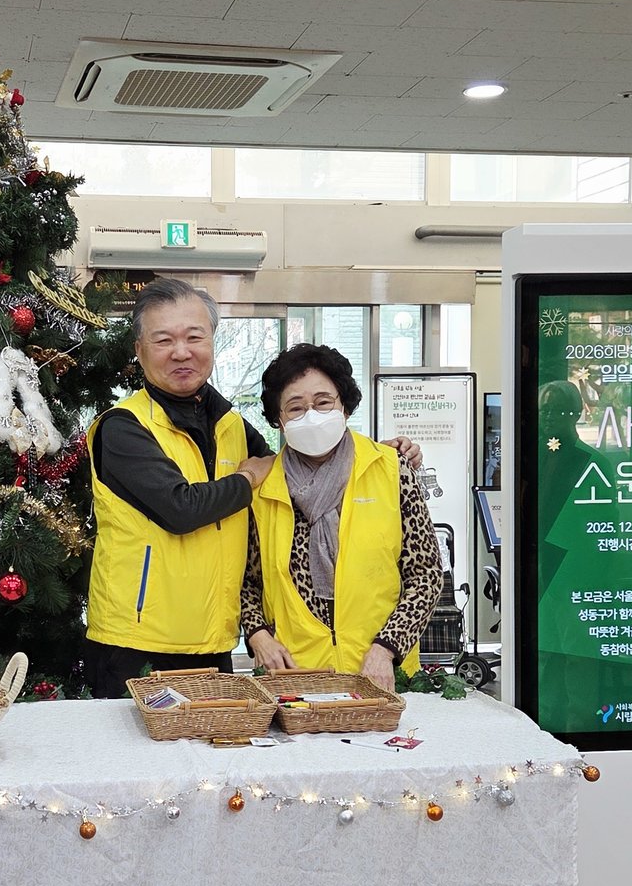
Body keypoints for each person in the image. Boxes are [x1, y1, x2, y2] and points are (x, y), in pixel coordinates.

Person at [85, 280, 421, 698]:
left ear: (211, 341)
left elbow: (302, 467)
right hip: (138, 641)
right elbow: (180, 509)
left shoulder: (232, 427)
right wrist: (245, 480)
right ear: (139, 350)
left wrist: (381, 456)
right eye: (163, 339)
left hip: (214, 640)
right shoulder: (124, 427)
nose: (181, 351)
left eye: (194, 336)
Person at [241, 345, 443, 692]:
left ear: (344, 406)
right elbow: (247, 583)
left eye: (323, 402)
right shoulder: (263, 488)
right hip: (295, 676)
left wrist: (386, 649)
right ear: (278, 419)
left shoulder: (390, 470)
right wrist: (258, 636)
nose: (312, 415)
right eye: (296, 407)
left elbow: (426, 574)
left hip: (382, 673)